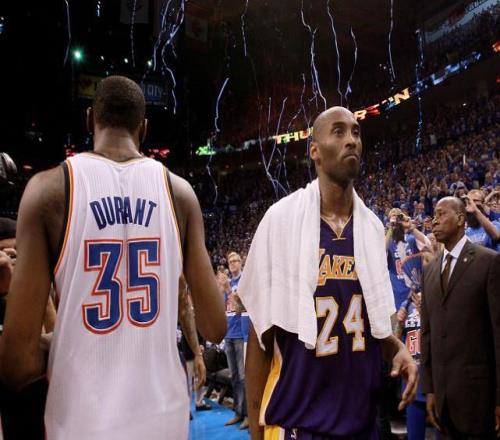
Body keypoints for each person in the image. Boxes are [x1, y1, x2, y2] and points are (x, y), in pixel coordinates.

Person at [0, 75, 226, 440]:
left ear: (90, 119)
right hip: (164, 420)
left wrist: (74, 342)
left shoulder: (47, 191)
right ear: (144, 128)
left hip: (82, 422)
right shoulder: (180, 194)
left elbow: (17, 363)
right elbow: (215, 325)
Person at [241, 107, 417, 440]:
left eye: (356, 132)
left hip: (363, 425)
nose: (351, 140)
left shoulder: (371, 228)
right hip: (302, 425)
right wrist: (256, 432)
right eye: (338, 132)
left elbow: (373, 325)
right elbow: (260, 336)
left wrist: (397, 349)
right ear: (315, 151)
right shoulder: (281, 221)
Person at [421, 197, 500, 438]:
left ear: (460, 219)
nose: (434, 221)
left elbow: (498, 335)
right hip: (442, 400)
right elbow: (427, 334)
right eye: (434, 215)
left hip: (479, 399)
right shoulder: (429, 270)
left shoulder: (489, 262)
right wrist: (430, 389)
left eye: (441, 214)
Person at [218, 252, 249, 429]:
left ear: (241, 262)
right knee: (235, 377)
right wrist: (221, 288)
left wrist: (229, 290)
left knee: (244, 378)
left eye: (235, 260)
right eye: (230, 261)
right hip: (228, 335)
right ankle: (238, 412)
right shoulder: (227, 283)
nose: (232, 263)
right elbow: (223, 308)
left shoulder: (244, 282)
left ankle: (247, 415)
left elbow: (239, 308)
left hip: (240, 335)